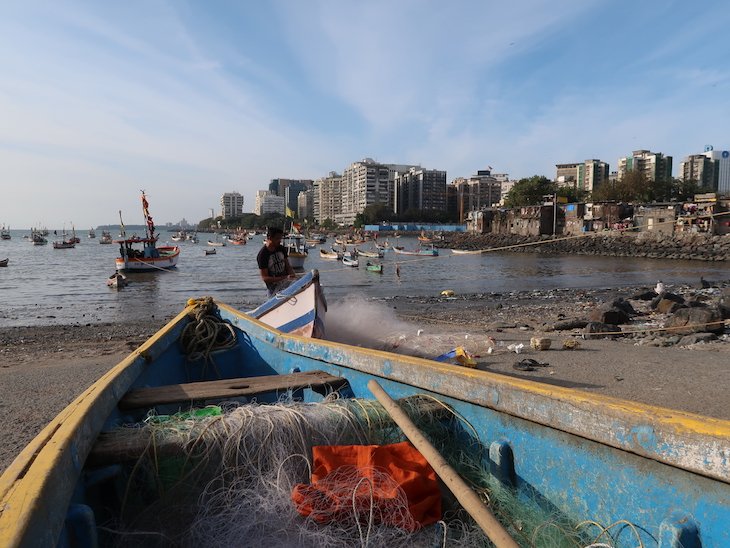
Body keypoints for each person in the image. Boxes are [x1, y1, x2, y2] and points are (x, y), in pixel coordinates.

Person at [257, 227, 297, 296]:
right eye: (277, 238)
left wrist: (292, 275)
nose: (279, 241)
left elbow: (288, 266)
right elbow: (264, 278)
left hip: (286, 284)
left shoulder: (281, 248)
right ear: (270, 238)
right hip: (273, 289)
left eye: (280, 238)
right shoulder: (262, 255)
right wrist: (285, 277)